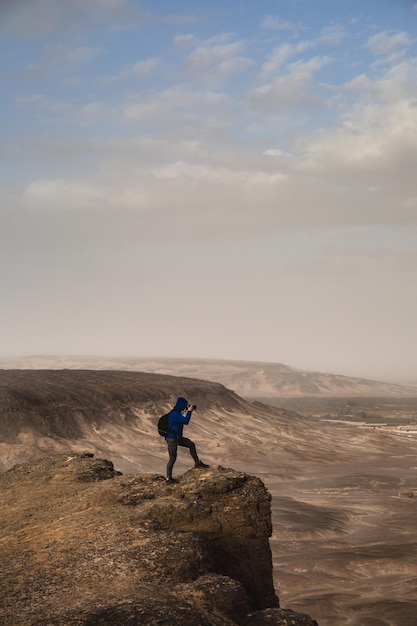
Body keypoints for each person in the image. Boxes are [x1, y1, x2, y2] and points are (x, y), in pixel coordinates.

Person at [165, 396, 208, 484]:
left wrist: (188, 411)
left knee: (191, 444)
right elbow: (185, 421)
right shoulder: (174, 414)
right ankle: (168, 479)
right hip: (172, 439)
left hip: (176, 438)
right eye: (185, 405)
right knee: (172, 458)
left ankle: (197, 463)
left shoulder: (176, 413)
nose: (186, 407)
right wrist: (189, 411)